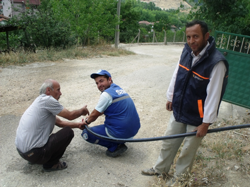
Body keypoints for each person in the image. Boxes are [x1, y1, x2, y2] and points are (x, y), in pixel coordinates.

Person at [141, 20, 229, 186]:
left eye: (195, 36)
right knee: (169, 141)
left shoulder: (217, 63)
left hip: (198, 117)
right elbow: (178, 73)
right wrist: (171, 96)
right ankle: (160, 169)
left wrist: (206, 123)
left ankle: (180, 179)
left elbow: (214, 95)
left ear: (206, 36)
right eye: (188, 37)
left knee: (187, 151)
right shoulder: (187, 51)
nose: (191, 41)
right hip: (180, 107)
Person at [15, 79, 89, 172]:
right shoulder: (47, 100)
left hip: (23, 153)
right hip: (35, 154)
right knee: (68, 133)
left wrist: (78, 125)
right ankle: (51, 164)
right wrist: (82, 110)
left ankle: (34, 158)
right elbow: (70, 115)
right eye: (58, 90)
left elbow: (60, 123)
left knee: (62, 132)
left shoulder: (40, 101)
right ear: (48, 91)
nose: (60, 93)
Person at [81, 70, 141, 157]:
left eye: (101, 81)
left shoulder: (106, 94)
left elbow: (94, 115)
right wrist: (90, 117)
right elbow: (101, 110)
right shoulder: (119, 89)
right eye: (97, 83)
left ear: (109, 79)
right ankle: (120, 140)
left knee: (86, 133)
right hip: (133, 131)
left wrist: (86, 123)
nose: (99, 85)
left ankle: (114, 146)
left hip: (121, 132)